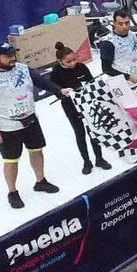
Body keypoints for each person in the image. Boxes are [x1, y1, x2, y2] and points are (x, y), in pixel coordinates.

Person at [0, 43, 72, 208]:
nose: (12, 58)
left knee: (37, 150)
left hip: (30, 119)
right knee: (11, 160)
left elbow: (42, 82)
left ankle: (40, 181)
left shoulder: (23, 68)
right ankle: (12, 192)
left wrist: (58, 90)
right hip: (7, 126)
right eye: (7, 56)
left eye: (13, 54)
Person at [49, 42, 109, 175]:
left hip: (88, 103)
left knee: (93, 130)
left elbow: (92, 83)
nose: (72, 63)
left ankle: (99, 158)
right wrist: (62, 91)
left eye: (74, 59)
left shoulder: (81, 67)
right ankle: (86, 161)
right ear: (60, 61)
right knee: (80, 133)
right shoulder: (56, 72)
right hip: (70, 106)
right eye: (68, 61)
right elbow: (54, 89)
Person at [98, 9, 137, 83]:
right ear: (114, 23)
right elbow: (106, 69)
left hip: (136, 80)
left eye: (127, 23)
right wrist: (128, 77)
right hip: (119, 83)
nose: (125, 27)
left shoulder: (133, 35)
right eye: (120, 24)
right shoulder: (108, 42)